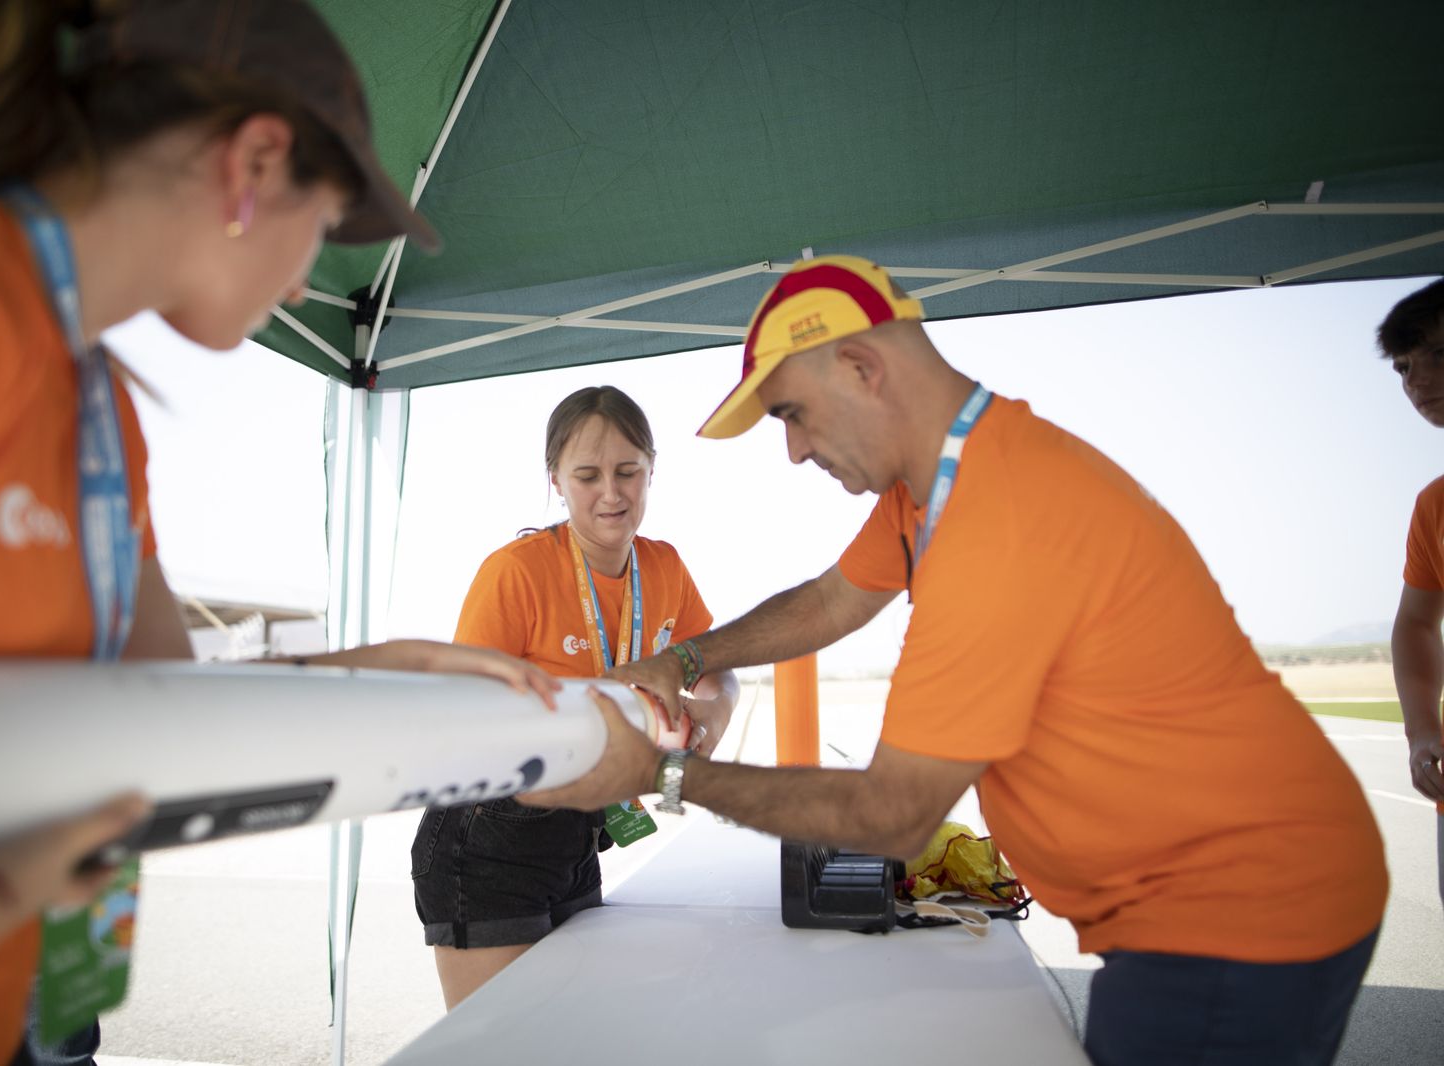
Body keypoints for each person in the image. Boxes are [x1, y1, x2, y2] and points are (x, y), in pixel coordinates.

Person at [0, 2, 558, 1064]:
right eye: (322, 226)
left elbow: (162, 721)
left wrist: (377, 673)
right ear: (255, 160)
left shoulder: (98, 409)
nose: (313, 279)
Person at [525, 255, 1389, 1066]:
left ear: (863, 370)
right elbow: (831, 600)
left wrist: (665, 775)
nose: (791, 450)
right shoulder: (934, 485)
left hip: (1237, 916)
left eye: (791, 413)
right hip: (1197, 904)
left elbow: (895, 813)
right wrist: (686, 656)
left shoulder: (997, 519)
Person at [411, 385, 738, 1009]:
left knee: (569, 1034)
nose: (611, 494)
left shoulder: (664, 567)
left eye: (628, 472)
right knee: (500, 1047)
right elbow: (458, 716)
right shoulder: (517, 572)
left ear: (651, 470)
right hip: (487, 842)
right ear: (556, 480)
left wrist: (713, 710)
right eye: (587, 475)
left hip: (577, 837)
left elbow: (719, 666)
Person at [1377, 277, 1444, 910]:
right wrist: (1422, 730)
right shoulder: (1434, 504)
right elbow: (1416, 624)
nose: (1416, 379)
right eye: (1403, 365)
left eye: (1439, 355)